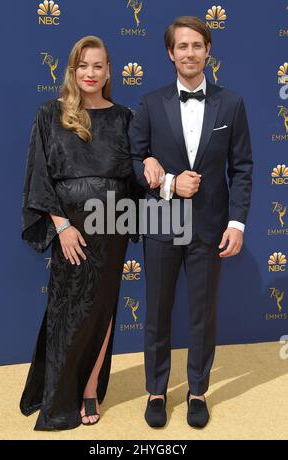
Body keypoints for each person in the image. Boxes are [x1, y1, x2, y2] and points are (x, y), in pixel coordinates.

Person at [129, 16, 253, 428]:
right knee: (157, 312)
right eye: (182, 46)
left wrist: (237, 223)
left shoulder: (231, 103)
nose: (189, 53)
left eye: (197, 45)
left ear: (208, 51)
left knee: (202, 313)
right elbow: (132, 160)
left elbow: (243, 168)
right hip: (162, 218)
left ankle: (197, 390)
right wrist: (167, 182)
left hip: (210, 226)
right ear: (170, 53)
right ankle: (157, 391)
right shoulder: (149, 103)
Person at [20, 36, 135, 431]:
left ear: (108, 71)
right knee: (67, 312)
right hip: (72, 231)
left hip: (113, 229)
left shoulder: (123, 117)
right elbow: (40, 173)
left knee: (102, 312)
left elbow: (134, 171)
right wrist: (62, 225)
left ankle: (88, 389)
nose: (90, 73)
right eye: (83, 66)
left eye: (98, 66)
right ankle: (57, 395)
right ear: (72, 71)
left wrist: (160, 173)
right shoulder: (50, 114)